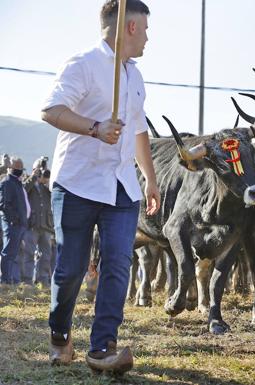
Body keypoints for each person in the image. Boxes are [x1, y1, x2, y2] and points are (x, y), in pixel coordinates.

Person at [40, 0, 160, 374]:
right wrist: (95, 128)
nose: (148, 39)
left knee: (118, 265)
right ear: (129, 27)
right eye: (146, 29)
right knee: (72, 268)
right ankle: (60, 335)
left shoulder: (135, 76)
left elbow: (139, 130)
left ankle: (102, 348)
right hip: (77, 182)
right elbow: (51, 110)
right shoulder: (83, 64)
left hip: (123, 188)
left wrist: (151, 180)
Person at [22, 166, 54, 286]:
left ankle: (43, 281)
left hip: (46, 225)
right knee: (29, 254)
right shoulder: (28, 181)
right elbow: (23, 190)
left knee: (46, 255)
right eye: (39, 171)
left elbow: (54, 193)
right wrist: (34, 177)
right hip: (32, 225)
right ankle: (27, 281)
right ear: (34, 169)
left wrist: (47, 181)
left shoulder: (45, 185)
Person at [0, 157, 30, 284]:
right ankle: (5, 281)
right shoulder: (6, 182)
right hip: (13, 225)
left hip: (21, 225)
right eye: (17, 168)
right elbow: (4, 204)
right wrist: (15, 220)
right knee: (8, 253)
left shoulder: (17, 183)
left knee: (13, 255)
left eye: (21, 169)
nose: (20, 171)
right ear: (10, 168)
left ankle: (10, 280)